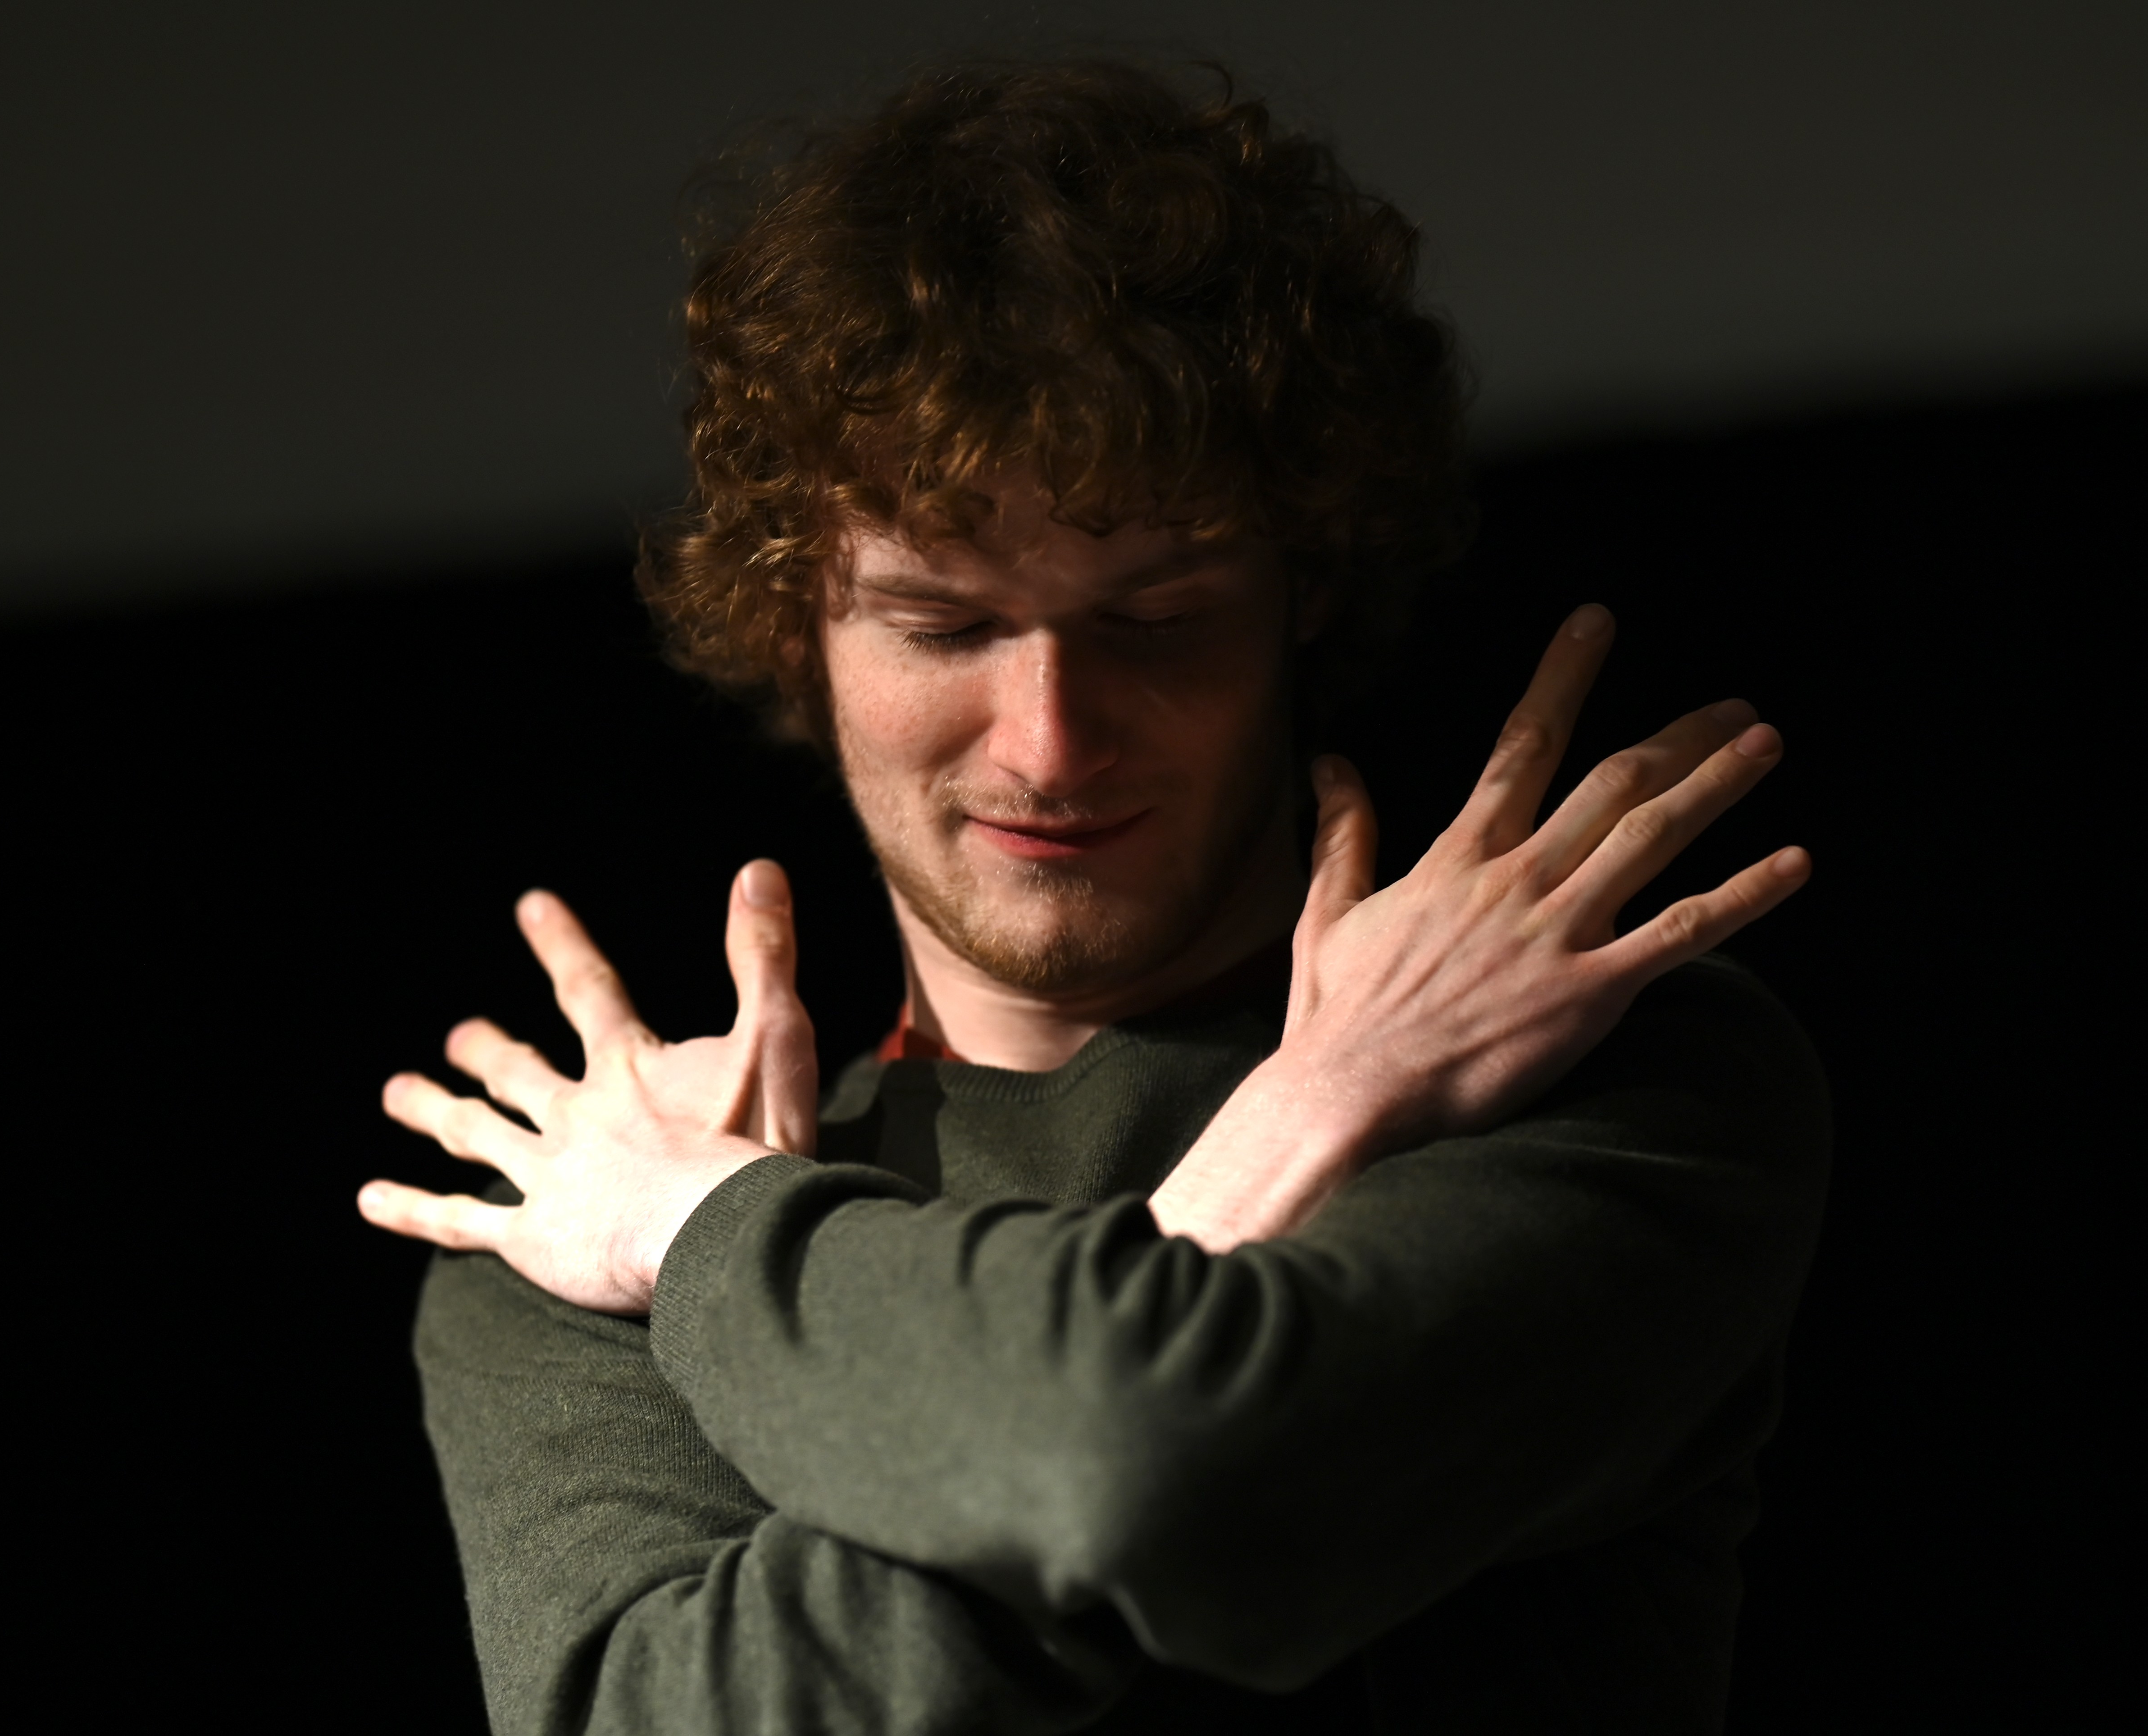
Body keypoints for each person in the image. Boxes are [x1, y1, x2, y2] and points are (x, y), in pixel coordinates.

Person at [357, 59, 1827, 1735]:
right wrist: (1312, 1123)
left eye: (1156, 621)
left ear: (1300, 598)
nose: (1049, 741)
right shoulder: (565, 1224)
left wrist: (700, 1236)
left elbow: (1146, 1478)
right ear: (796, 634)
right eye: (943, 625)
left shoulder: (1594, 1065)